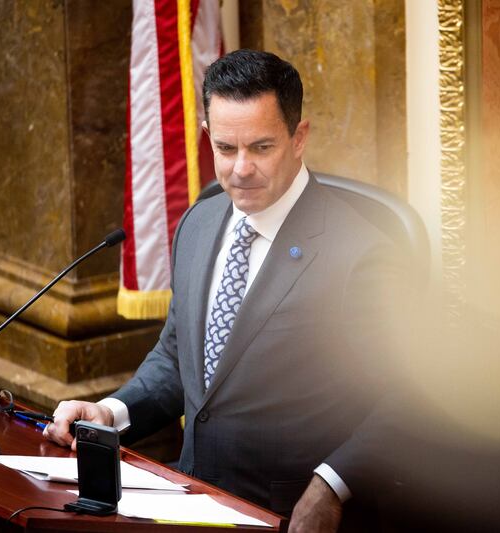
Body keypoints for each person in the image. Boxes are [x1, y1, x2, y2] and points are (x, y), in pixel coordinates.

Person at [44, 49, 409, 532]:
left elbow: (406, 399)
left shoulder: (362, 253)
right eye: (226, 148)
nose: (240, 169)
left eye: (261, 148)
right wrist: (111, 411)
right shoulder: (199, 222)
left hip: (289, 512)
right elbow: (180, 360)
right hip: (190, 499)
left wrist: (331, 484)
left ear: (299, 138)